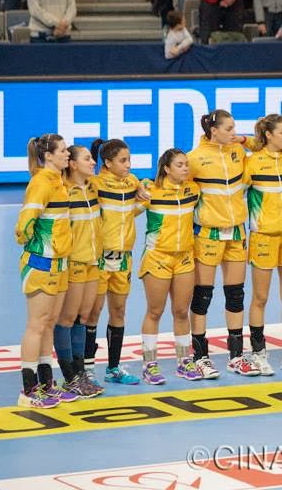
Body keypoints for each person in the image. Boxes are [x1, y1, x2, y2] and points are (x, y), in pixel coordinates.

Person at [186, 110, 259, 379]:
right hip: (208, 235)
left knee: (236, 294)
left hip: (237, 234)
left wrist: (239, 139)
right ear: (212, 130)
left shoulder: (237, 151)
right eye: (229, 128)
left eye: (235, 128)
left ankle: (236, 356)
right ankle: (200, 357)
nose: (234, 133)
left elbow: (261, 144)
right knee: (203, 295)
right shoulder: (194, 159)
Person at [136, 149, 203, 384]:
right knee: (155, 311)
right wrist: (138, 188)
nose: (185, 168)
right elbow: (129, 212)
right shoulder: (151, 191)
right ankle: (149, 365)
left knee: (182, 311)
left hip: (184, 257)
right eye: (180, 165)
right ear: (166, 168)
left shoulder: (193, 190)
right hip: (158, 258)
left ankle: (185, 362)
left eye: (186, 164)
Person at [15, 134, 73, 408]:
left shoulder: (59, 182)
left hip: (60, 264)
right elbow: (25, 223)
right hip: (41, 264)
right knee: (36, 325)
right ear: (48, 155)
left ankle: (47, 384)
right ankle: (28, 391)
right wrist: (38, 248)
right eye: (62, 150)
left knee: (49, 324)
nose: (67, 154)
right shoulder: (40, 183)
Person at [244, 114, 282, 376]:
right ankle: (259, 353)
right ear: (268, 135)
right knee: (261, 297)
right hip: (264, 237)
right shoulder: (252, 163)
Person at [85, 139, 145, 386]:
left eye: (129, 159)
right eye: (122, 161)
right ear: (107, 163)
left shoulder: (132, 182)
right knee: (92, 313)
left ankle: (113, 368)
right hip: (99, 258)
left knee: (118, 311)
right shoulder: (95, 184)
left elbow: (132, 209)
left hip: (124, 259)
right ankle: (87, 369)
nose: (128, 165)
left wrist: (143, 193)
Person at [55, 145, 105, 399]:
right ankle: (69, 376)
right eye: (87, 158)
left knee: (83, 317)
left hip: (93, 262)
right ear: (72, 164)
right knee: (66, 318)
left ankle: (79, 373)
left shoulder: (93, 187)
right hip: (74, 262)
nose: (93, 162)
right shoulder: (64, 190)